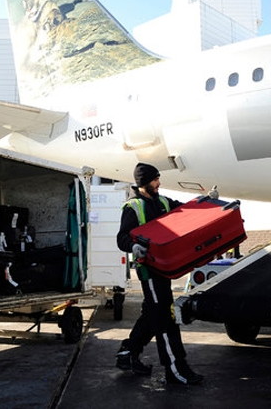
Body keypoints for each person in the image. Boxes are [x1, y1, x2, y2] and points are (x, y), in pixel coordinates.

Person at [115, 162, 204, 385]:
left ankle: (128, 351)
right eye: (155, 179)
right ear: (145, 182)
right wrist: (133, 246)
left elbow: (186, 211)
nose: (159, 183)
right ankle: (175, 369)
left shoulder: (163, 201)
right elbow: (122, 237)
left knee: (152, 314)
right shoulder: (133, 207)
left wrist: (206, 202)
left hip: (165, 268)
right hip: (150, 272)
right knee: (165, 317)